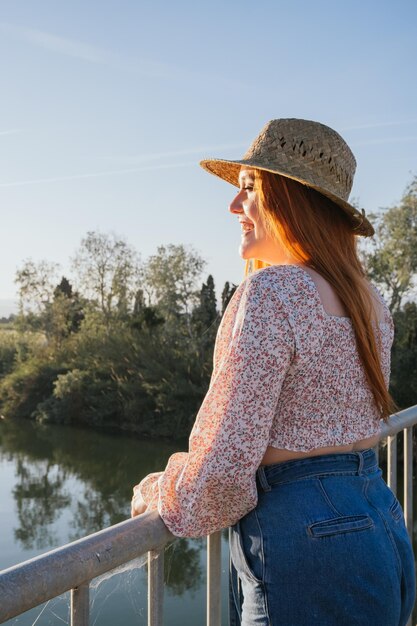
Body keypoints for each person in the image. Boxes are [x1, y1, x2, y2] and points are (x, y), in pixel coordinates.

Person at [131, 118, 416, 625]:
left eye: (248, 189)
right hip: (380, 520)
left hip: (308, 539)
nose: (233, 206)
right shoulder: (370, 302)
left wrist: (157, 490)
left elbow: (223, 470)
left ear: (291, 198)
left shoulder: (274, 292)